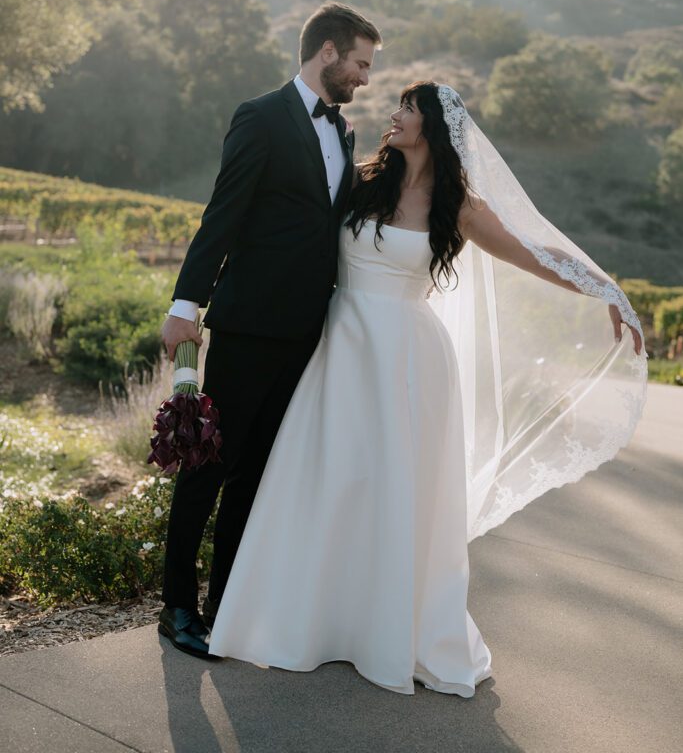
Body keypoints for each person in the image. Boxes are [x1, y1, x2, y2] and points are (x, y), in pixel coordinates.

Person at [205, 80, 647, 696]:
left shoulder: (458, 205)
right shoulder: (362, 181)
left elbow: (533, 253)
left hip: (409, 360)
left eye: (406, 108)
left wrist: (605, 287)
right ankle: (310, 620)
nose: (393, 114)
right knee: (327, 477)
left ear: (431, 126)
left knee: (393, 489)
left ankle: (382, 630)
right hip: (340, 348)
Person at [157, 1, 383, 659]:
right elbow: (222, 214)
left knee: (256, 475)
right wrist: (185, 304)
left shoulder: (344, 134)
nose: (365, 77)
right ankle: (177, 606)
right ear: (327, 52)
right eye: (361, 63)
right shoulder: (260, 116)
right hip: (249, 324)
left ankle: (227, 606)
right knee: (208, 464)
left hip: (309, 333)